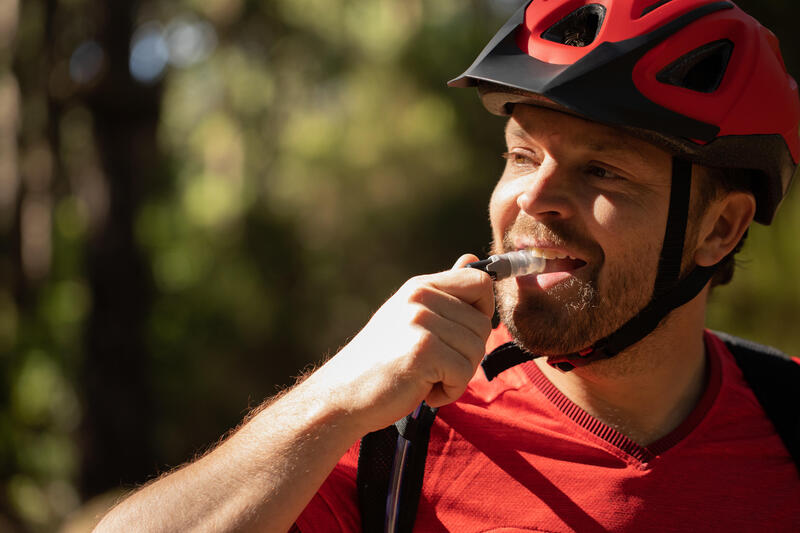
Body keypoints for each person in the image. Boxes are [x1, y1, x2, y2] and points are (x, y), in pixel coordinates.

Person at [95, 1, 800, 531]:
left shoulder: (788, 422)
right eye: (522, 155)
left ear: (720, 228)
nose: (533, 197)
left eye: (602, 170)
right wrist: (331, 400)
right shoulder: (404, 433)